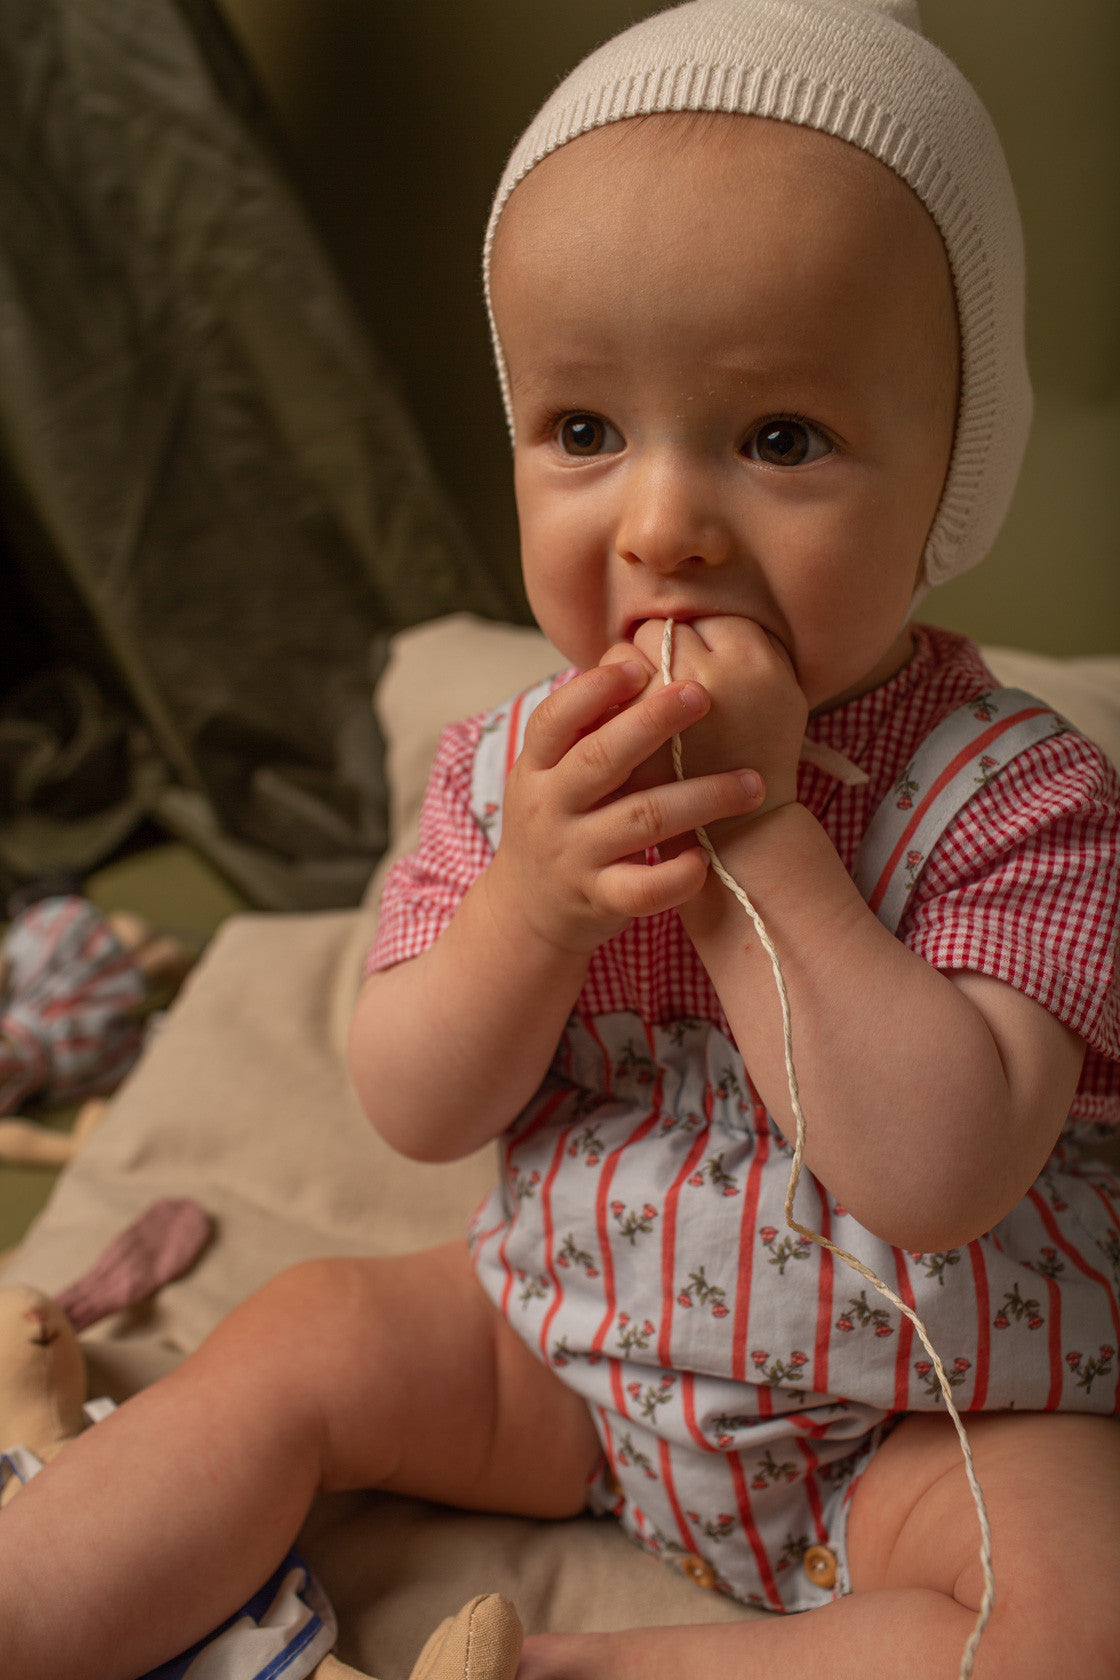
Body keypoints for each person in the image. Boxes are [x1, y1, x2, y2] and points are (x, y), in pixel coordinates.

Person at [2, 2, 1118, 1677]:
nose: (662, 522)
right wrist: (526, 907)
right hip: (569, 1347)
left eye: (780, 439)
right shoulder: (509, 770)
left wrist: (766, 847)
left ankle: (545, 1674)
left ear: (952, 470)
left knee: (1075, 1614)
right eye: (585, 432)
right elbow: (417, 1099)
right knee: (306, 1335)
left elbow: (941, 1174)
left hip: (923, 1408)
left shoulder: (1024, 792)